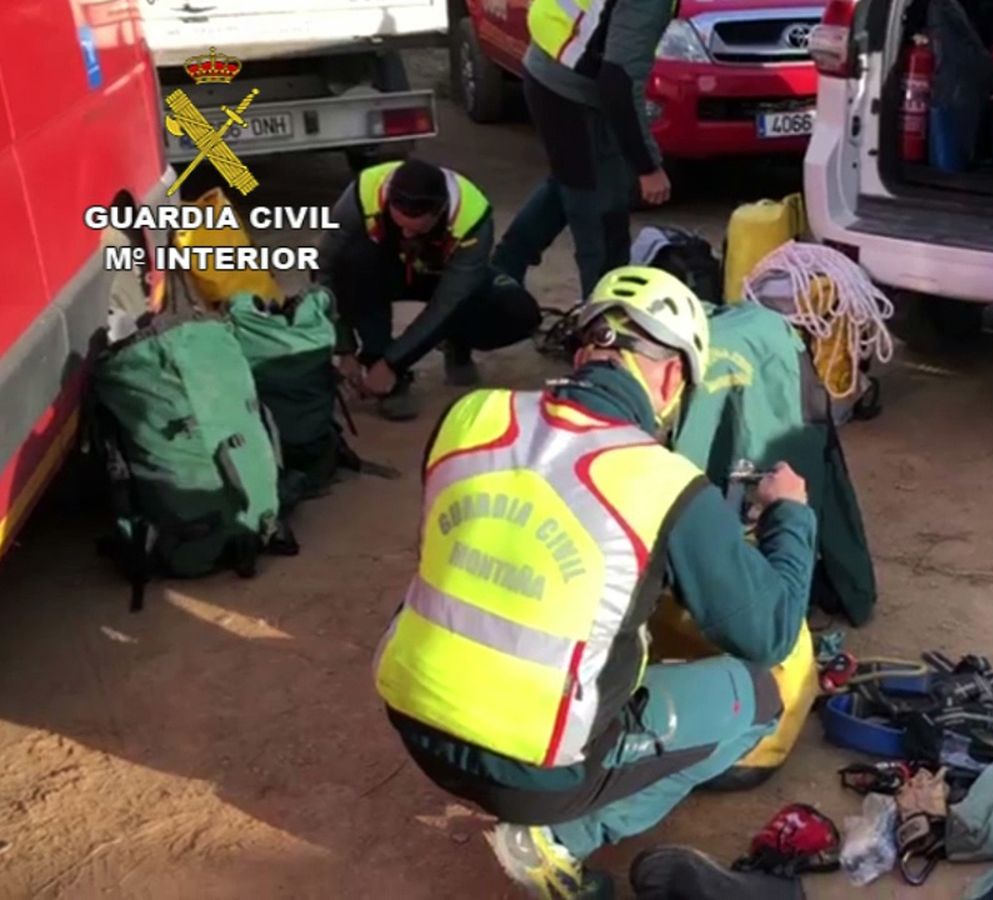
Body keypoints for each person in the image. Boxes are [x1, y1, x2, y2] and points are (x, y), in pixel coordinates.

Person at [373, 266, 817, 899]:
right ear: (669, 375)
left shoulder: (467, 416)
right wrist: (789, 515)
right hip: (532, 771)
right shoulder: (663, 482)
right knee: (759, 696)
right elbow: (769, 632)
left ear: (584, 351)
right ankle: (557, 840)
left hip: (414, 719)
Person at [317, 158, 542, 421]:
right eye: (399, 225)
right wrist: (343, 348)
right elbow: (324, 270)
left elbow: (448, 302)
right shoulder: (361, 195)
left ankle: (456, 343)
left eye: (416, 229)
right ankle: (377, 359)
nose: (407, 234)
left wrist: (393, 362)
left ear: (440, 212)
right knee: (353, 262)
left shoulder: (473, 218)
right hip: (385, 269)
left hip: (444, 276)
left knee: (519, 311)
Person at [489, 0, 677, 299]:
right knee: (602, 218)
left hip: (549, 66)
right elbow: (619, 81)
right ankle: (603, 322)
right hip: (572, 92)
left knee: (572, 185)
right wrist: (647, 166)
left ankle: (501, 272)